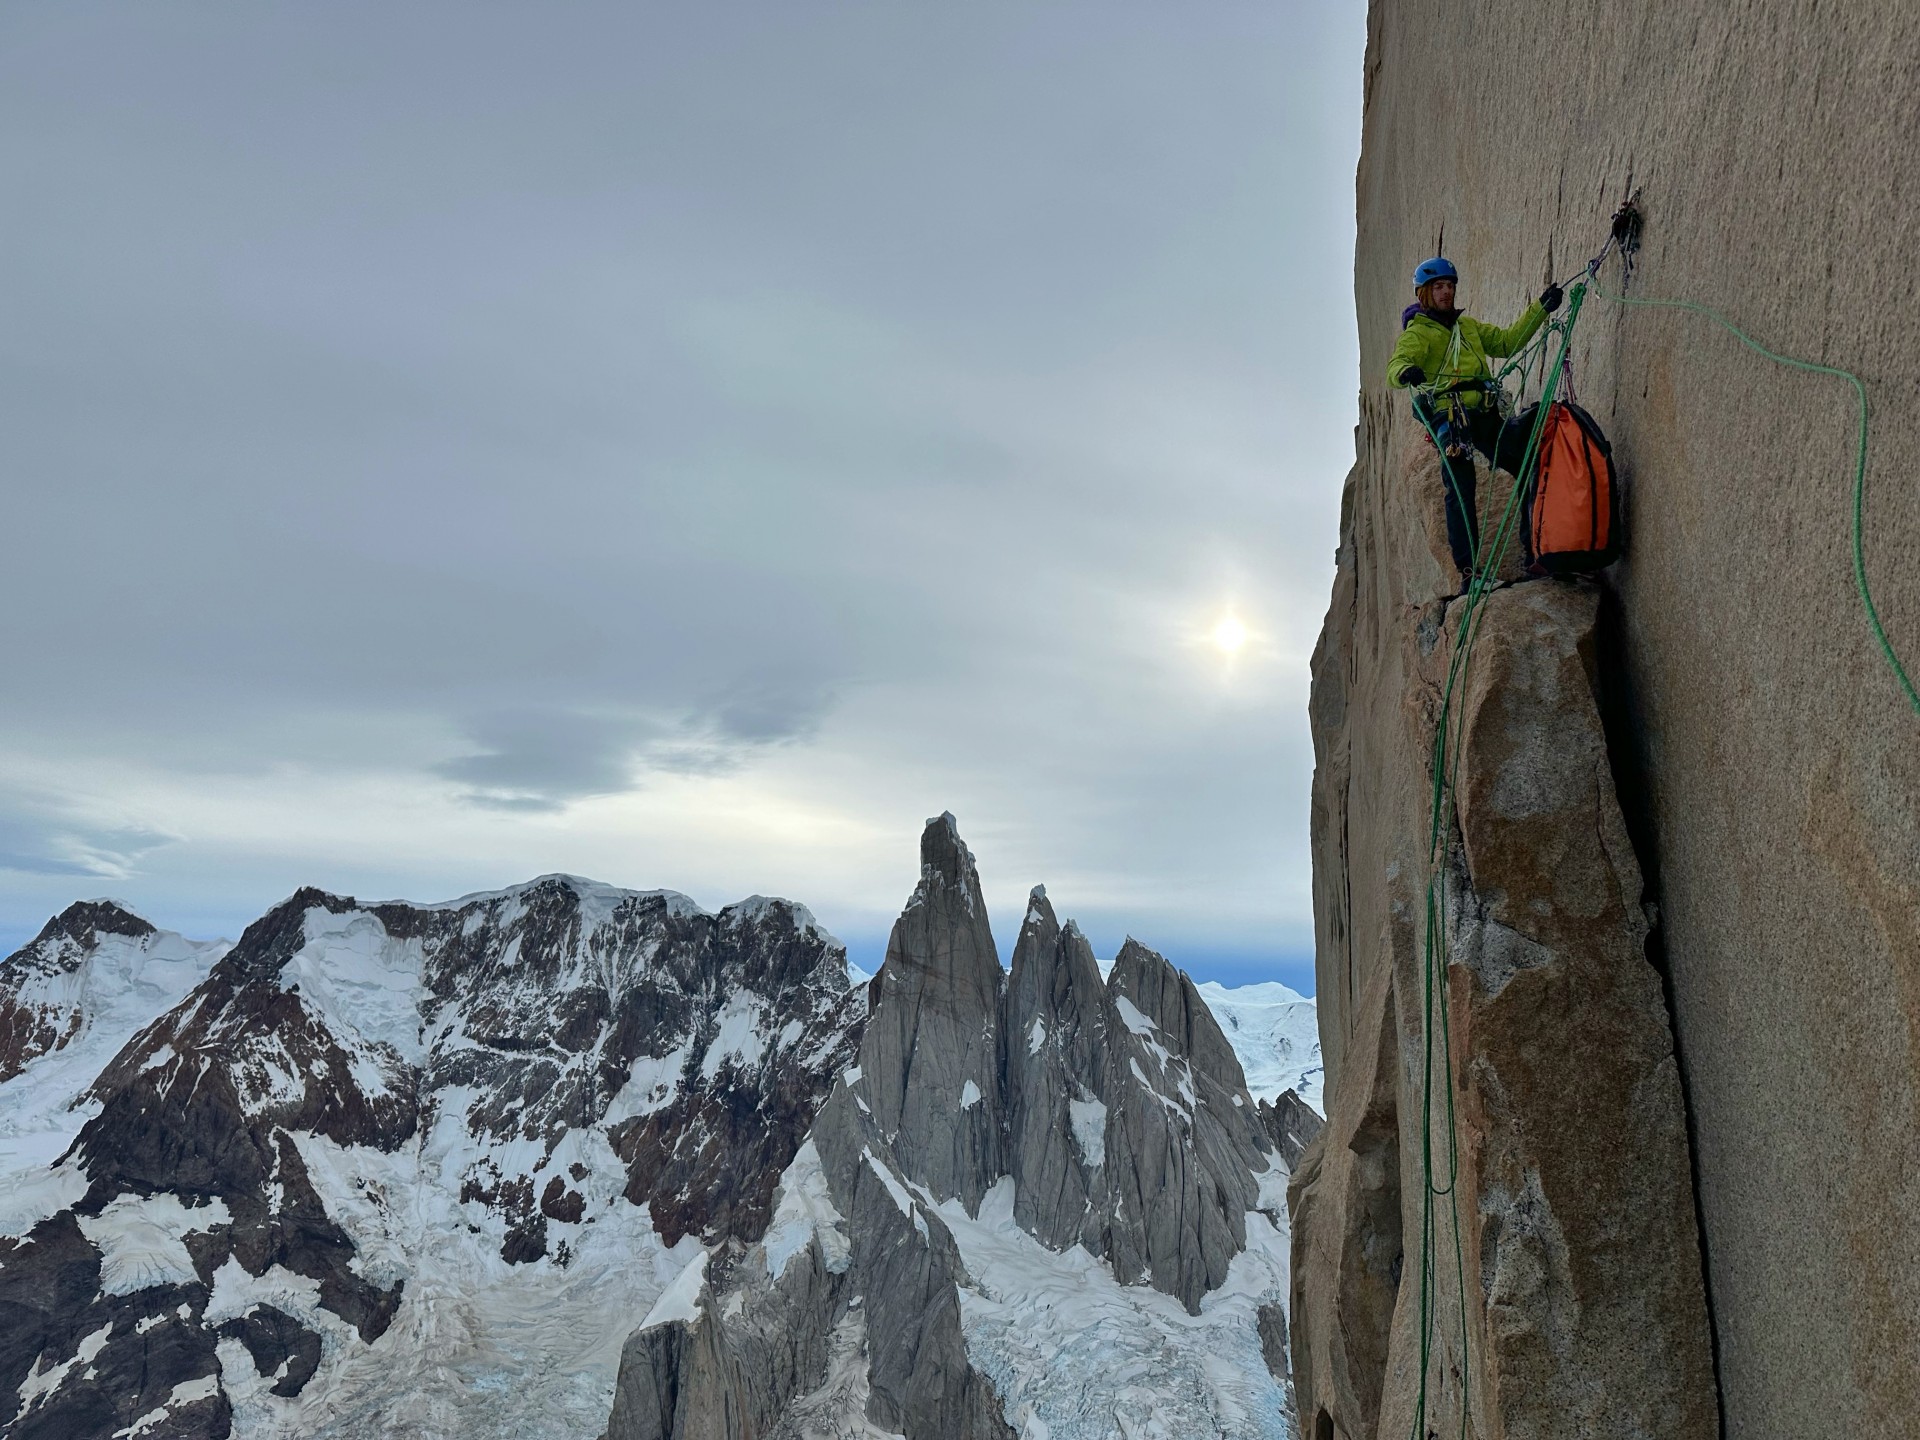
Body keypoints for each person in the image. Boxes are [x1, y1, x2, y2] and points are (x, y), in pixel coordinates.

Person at [1387, 257, 1563, 586]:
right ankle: (1470, 575)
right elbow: (1397, 364)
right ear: (1424, 293)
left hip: (1482, 414)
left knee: (1529, 464)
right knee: (1460, 489)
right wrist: (1405, 372)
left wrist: (1541, 308)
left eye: (1450, 285)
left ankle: (1536, 552)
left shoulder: (1468, 328)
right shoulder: (1419, 333)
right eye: (1438, 287)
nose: (1446, 292)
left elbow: (1508, 342)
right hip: (1451, 419)